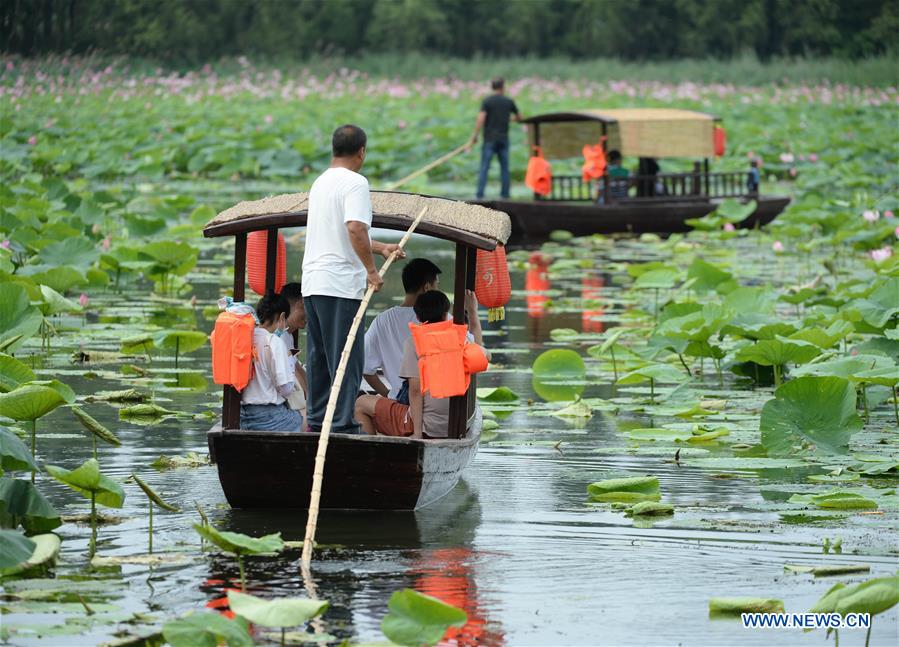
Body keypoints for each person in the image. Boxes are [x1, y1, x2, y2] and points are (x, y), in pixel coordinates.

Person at [301, 124, 404, 434]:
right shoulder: (356, 182)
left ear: (334, 150)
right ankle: (343, 423)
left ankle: (319, 420)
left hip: (314, 283)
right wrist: (372, 271)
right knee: (347, 357)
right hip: (340, 286)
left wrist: (381, 247)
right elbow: (355, 228)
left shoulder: (320, 183)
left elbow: (344, 233)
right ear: (361, 152)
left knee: (320, 357)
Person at [354, 289, 487, 439]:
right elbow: (483, 353)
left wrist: (417, 433)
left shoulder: (414, 342)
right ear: (445, 315)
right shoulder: (461, 339)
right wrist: (472, 312)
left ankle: (372, 453)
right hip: (455, 422)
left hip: (428, 426)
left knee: (360, 403)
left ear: (417, 317)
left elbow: (415, 390)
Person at [363, 258, 442, 399]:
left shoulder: (382, 321)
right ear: (427, 288)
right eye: (437, 285)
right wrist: (472, 313)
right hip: (435, 401)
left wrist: (389, 395)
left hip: (400, 402)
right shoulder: (441, 317)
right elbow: (473, 348)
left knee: (361, 404)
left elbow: (365, 369)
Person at [240, 293, 303, 432]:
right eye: (285, 320)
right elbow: (286, 389)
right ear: (281, 317)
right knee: (304, 419)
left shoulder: (245, 337)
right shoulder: (274, 341)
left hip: (242, 414)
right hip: (269, 416)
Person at [465, 77, 521, 200]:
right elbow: (519, 118)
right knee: (505, 168)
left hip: (489, 139)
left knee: (484, 167)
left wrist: (474, 137)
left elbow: (481, 119)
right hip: (503, 139)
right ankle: (505, 195)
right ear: (503, 87)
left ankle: (479, 195)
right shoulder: (508, 101)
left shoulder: (487, 101)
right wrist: (508, 118)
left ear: (492, 87)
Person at [280, 281, 308, 401]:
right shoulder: (279, 337)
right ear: (300, 304)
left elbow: (296, 365)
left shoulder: (288, 335)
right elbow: (294, 371)